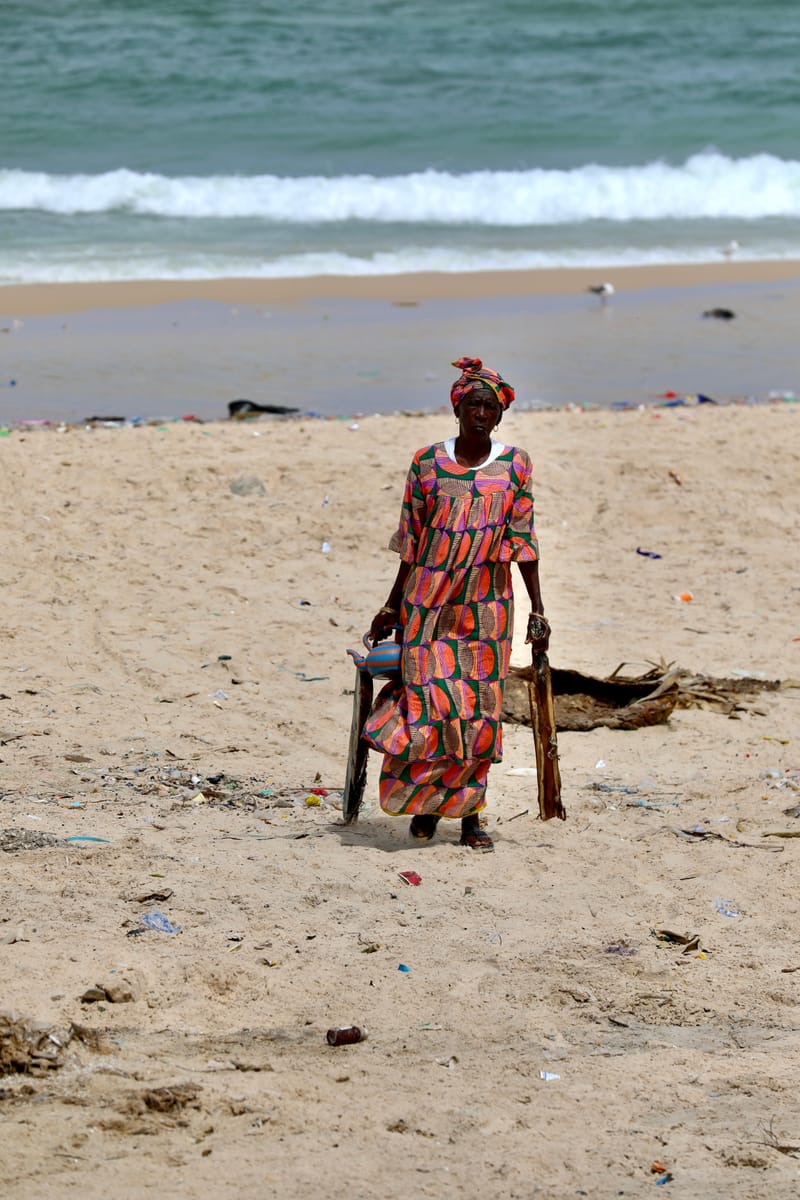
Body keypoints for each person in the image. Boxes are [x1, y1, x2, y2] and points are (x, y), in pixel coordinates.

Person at [362, 356, 549, 852]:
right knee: (428, 706)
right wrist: (389, 606)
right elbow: (411, 541)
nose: (481, 414)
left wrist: (538, 609)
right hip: (426, 606)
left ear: (500, 414)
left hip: (487, 609)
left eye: (490, 407)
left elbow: (523, 541)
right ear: (457, 409)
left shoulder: (516, 465)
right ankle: (425, 808)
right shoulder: (426, 462)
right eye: (473, 405)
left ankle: (470, 819)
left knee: (476, 711)